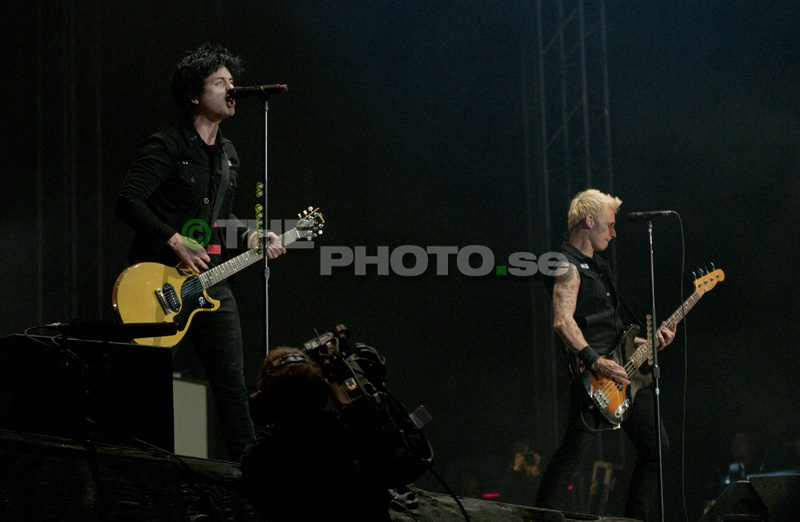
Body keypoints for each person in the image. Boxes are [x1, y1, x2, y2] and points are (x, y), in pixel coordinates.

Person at [116, 43, 285, 461]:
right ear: (194, 95)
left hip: (210, 281)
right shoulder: (167, 145)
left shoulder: (229, 156)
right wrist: (173, 239)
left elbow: (221, 218)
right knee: (145, 380)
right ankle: (138, 464)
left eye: (232, 81)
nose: (232, 89)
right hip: (158, 279)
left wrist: (250, 237)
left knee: (231, 382)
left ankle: (249, 468)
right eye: (220, 82)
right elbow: (128, 201)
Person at [535, 189, 676, 521]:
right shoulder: (566, 266)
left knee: (657, 448)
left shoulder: (599, 267)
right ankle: (539, 516)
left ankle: (634, 519)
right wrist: (595, 361)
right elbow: (563, 322)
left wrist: (649, 342)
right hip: (594, 377)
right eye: (609, 225)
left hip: (623, 373)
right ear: (589, 221)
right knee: (573, 453)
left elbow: (614, 332)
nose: (614, 233)